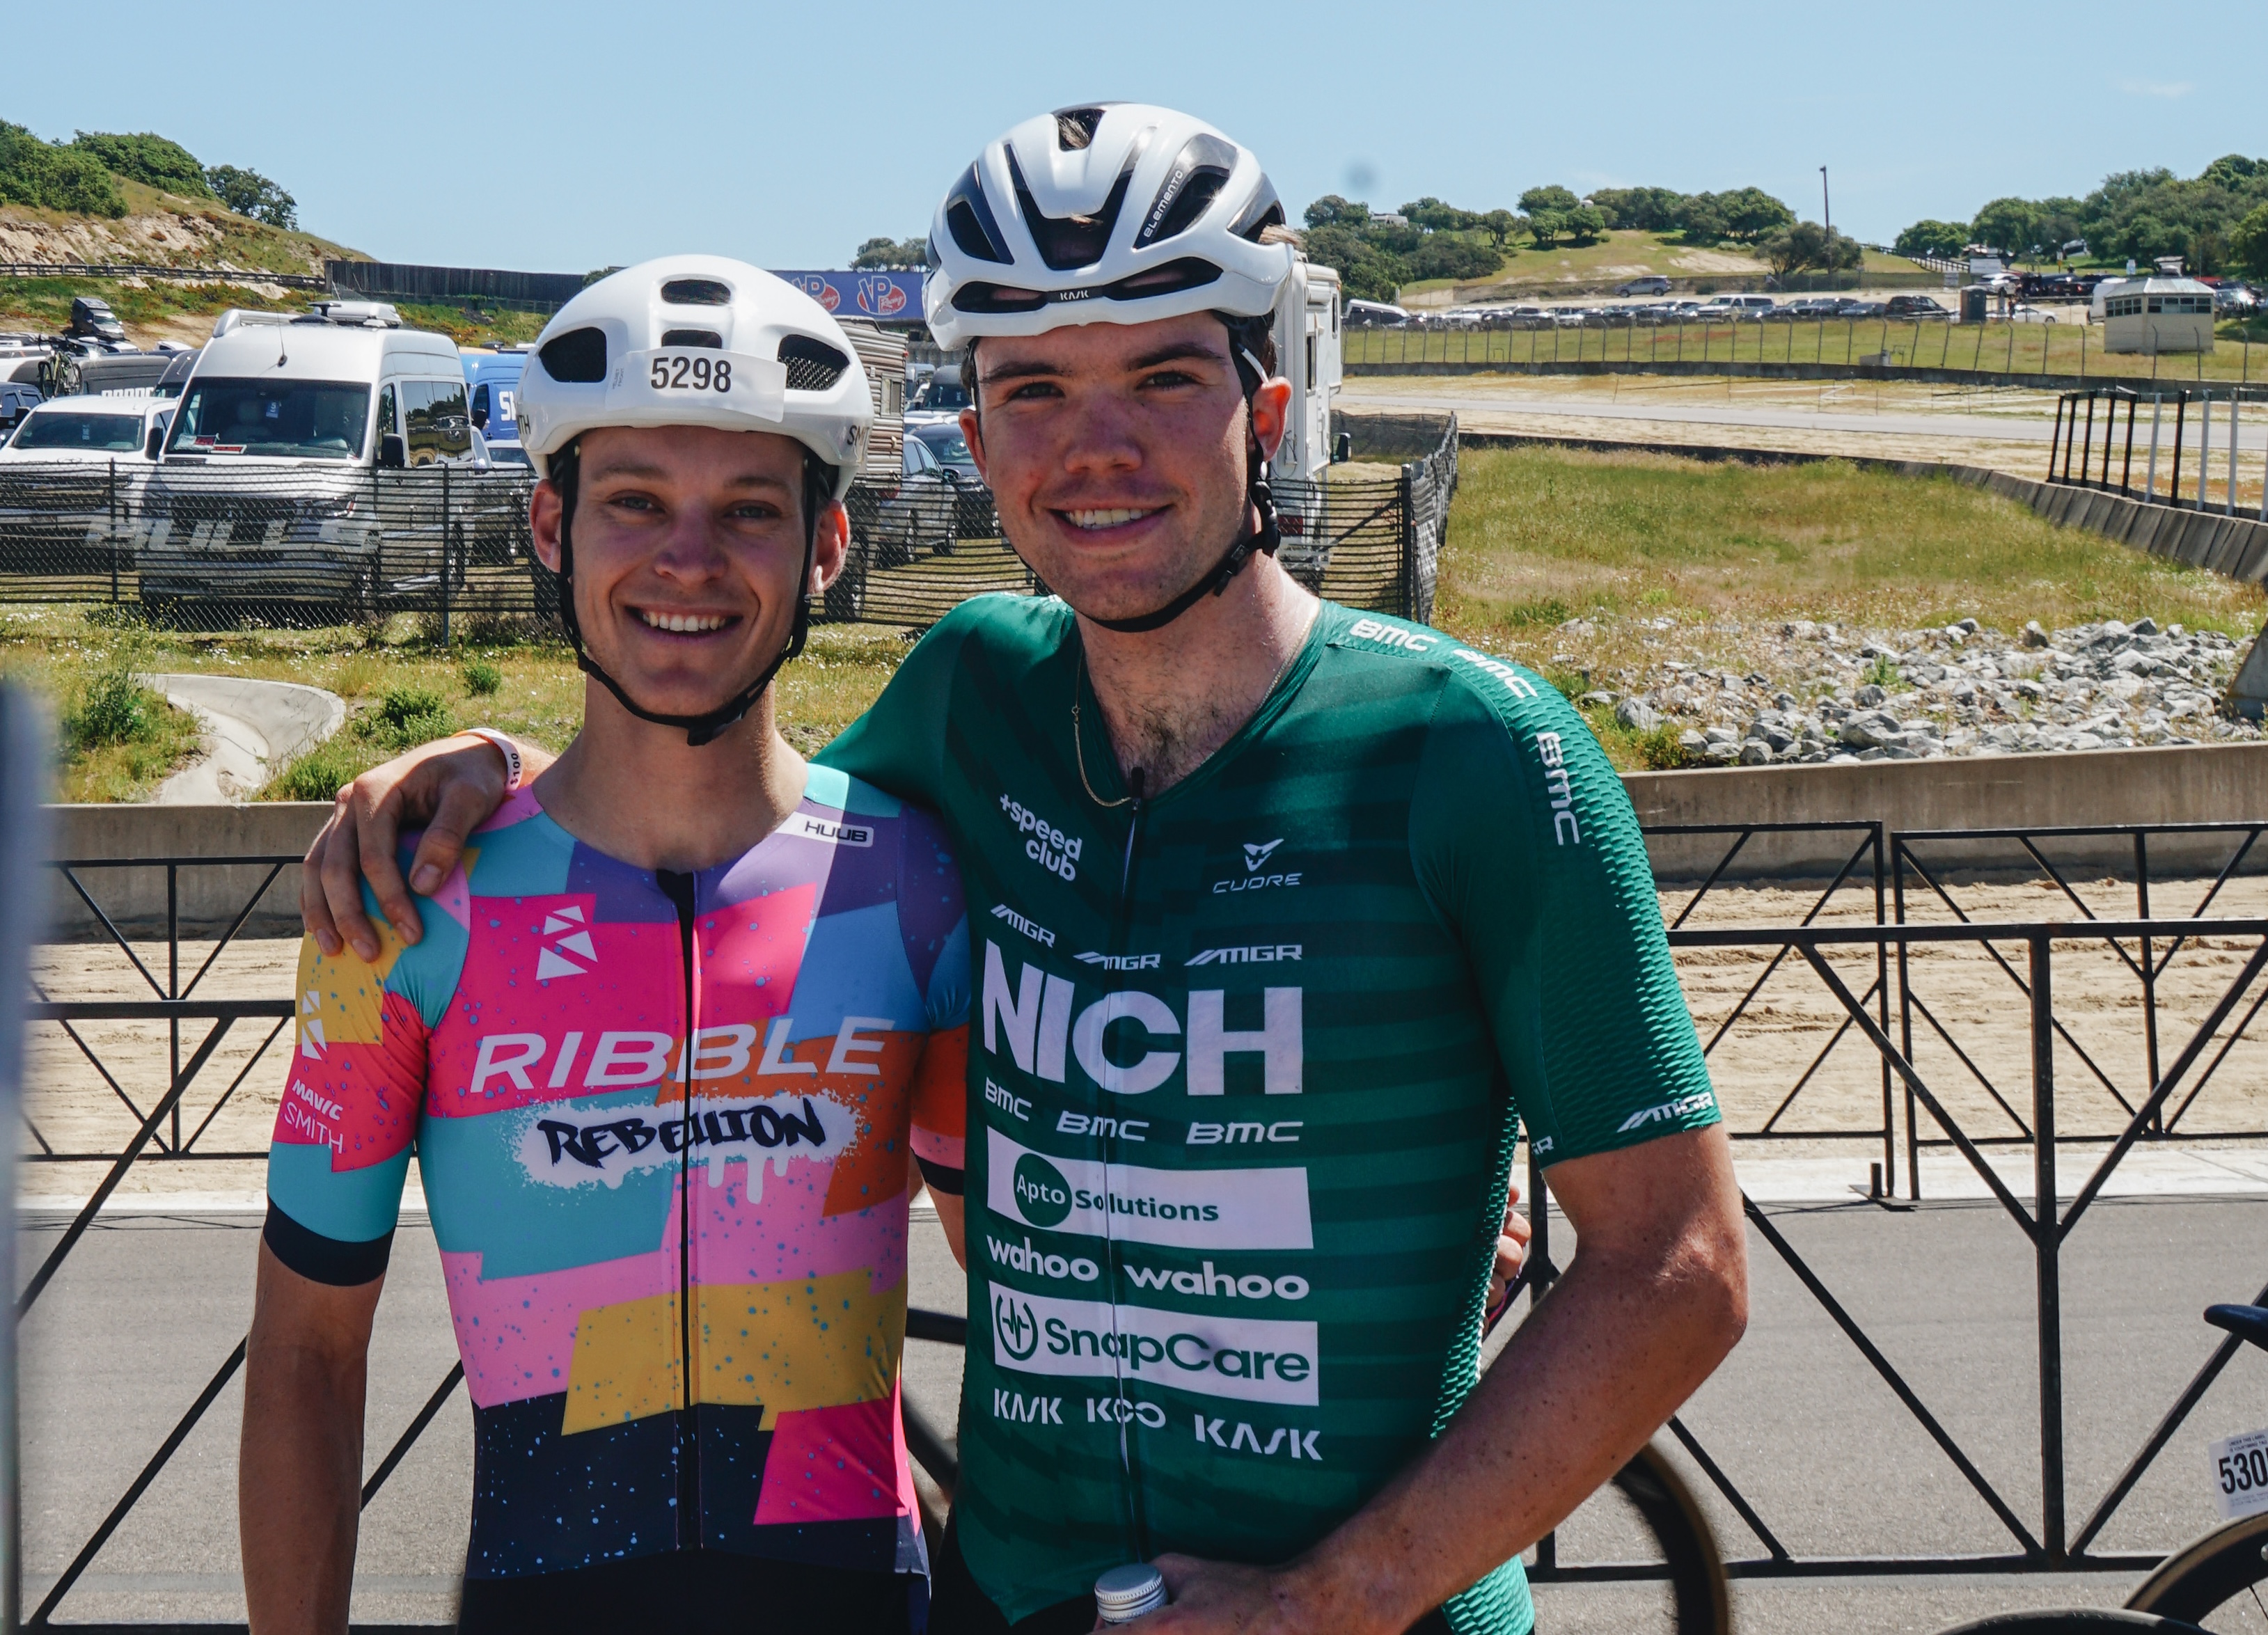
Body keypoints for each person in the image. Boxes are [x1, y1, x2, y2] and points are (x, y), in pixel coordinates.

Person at [303, 105, 1747, 1635]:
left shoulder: (1476, 748)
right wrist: (478, 775)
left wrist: (1336, 1593)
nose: (1095, 446)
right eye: (1036, 389)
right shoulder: (971, 696)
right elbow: (706, 802)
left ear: (1265, 415)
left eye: (1164, 379)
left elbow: (1682, 1257)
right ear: (977, 437)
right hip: (1015, 1598)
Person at [244, 258, 971, 1635]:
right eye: (635, 499)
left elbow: (1042, 1294)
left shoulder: (919, 880)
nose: (687, 557)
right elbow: (304, 1357)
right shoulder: (410, 905)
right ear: (549, 523)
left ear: (828, 545)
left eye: (749, 509)